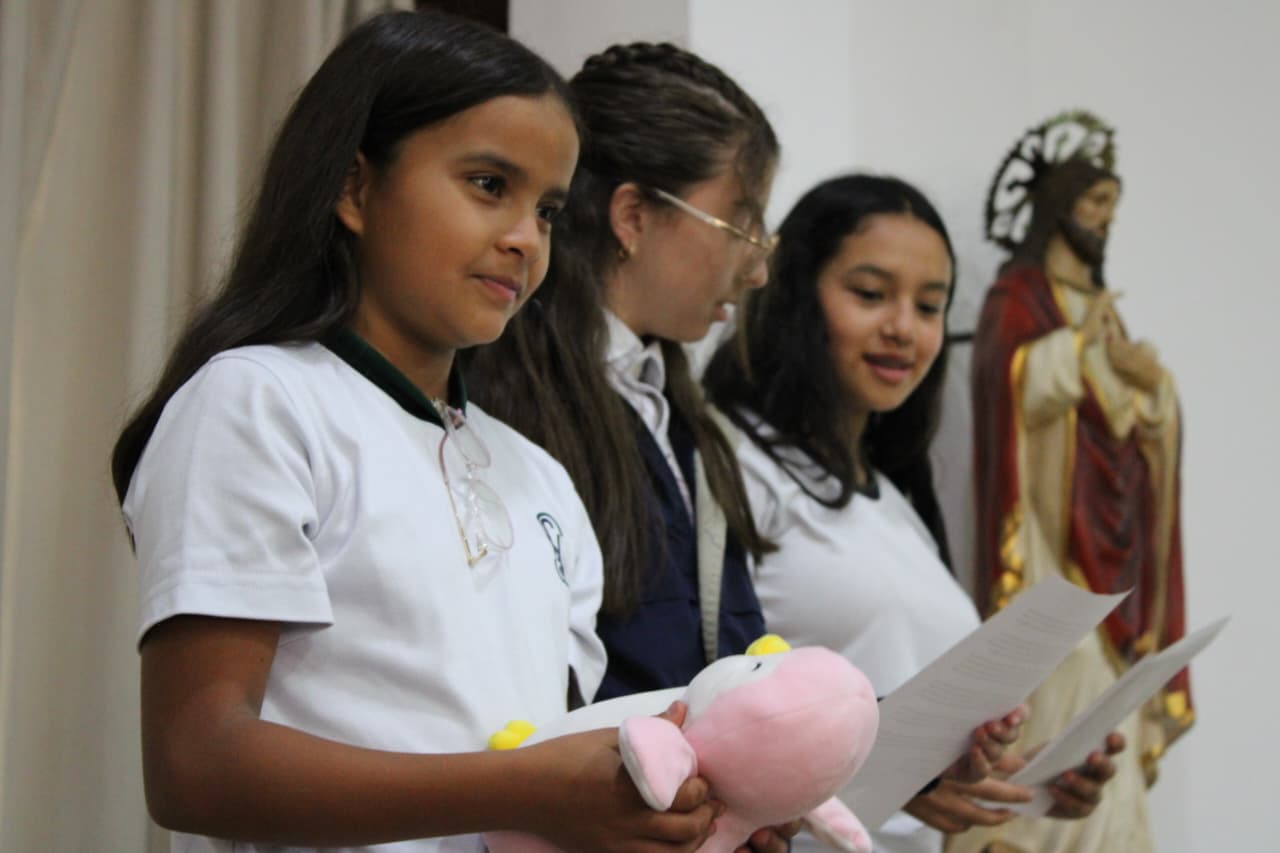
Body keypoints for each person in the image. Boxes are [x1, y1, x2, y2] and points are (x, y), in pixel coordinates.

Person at [110, 12, 722, 852]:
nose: (524, 238)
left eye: (548, 210)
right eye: (488, 184)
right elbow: (195, 762)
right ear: (355, 188)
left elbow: (561, 767)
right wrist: (527, 790)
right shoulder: (259, 401)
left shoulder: (538, 474)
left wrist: (699, 802)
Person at [703, 174, 1123, 853]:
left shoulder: (898, 505)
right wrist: (896, 777)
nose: (903, 328)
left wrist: (1025, 776)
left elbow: (913, 754)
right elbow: (707, 716)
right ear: (795, 293)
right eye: (870, 294)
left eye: (929, 306)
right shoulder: (729, 462)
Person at [465, 41, 801, 853]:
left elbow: (726, 657)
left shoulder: (681, 413)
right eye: (741, 221)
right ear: (633, 217)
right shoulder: (500, 404)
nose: (757, 267)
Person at [950, 112, 1192, 853]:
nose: (1105, 219)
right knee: (1068, 663)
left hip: (1113, 543)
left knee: (1115, 686)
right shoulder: (1018, 298)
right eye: (1095, 203)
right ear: (1059, 205)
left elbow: (1136, 421)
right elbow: (1011, 386)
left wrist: (1153, 390)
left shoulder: (1099, 305)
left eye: (1112, 206)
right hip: (1047, 545)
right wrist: (1079, 350)